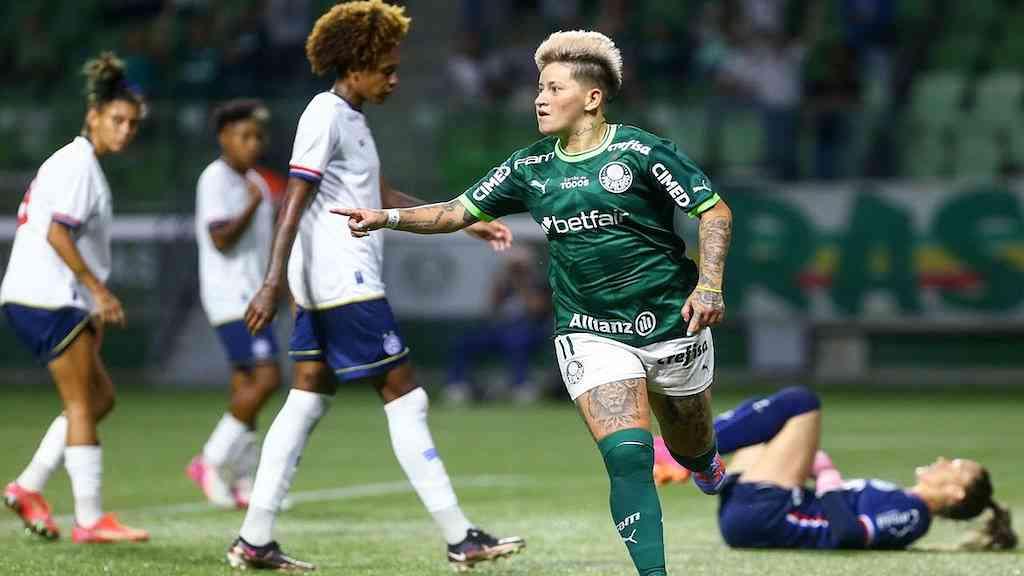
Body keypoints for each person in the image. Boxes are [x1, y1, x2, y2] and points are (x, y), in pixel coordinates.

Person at [335, 29, 734, 576]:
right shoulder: (529, 167)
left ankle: (704, 460)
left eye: (553, 88)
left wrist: (708, 285)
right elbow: (456, 212)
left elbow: (713, 211)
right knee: (628, 456)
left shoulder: (643, 152)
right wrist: (387, 217)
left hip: (672, 324)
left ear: (592, 98)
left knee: (690, 444)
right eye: (538, 88)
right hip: (590, 331)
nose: (539, 99)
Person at [227, 1, 523, 571]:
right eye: (386, 69)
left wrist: (464, 221)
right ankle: (460, 537)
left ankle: (254, 539)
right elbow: (293, 200)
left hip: (328, 283)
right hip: (344, 281)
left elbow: (380, 197)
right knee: (406, 396)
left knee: (307, 400)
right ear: (355, 65)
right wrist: (270, 281)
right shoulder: (325, 113)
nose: (394, 79)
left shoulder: (354, 120)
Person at [0, 53, 149, 543]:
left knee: (100, 398)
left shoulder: (80, 163)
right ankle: (89, 519)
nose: (125, 131)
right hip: (47, 297)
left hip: (48, 296)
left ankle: (28, 487)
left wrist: (89, 297)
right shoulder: (78, 164)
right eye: (117, 120)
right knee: (82, 403)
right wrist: (97, 291)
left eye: (132, 123)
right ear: (93, 115)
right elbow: (57, 233)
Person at [654, 386, 1018, 551]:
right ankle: (704, 467)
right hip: (754, 512)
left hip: (765, 517)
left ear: (956, 492)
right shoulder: (904, 501)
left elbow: (847, 533)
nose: (943, 461)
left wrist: (827, 476)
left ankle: (685, 453)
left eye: (955, 466)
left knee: (802, 402)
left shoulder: (912, 515)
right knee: (767, 419)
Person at [189, 99, 281, 509]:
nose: (253, 143)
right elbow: (220, 238)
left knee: (247, 387)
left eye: (258, 136)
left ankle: (244, 480)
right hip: (231, 296)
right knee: (268, 378)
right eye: (244, 136)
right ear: (224, 137)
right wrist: (251, 205)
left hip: (252, 295)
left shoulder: (256, 182)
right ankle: (209, 460)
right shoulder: (216, 178)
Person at [445, 245, 551, 404]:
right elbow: (490, 310)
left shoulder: (537, 283)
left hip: (530, 331)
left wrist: (521, 284)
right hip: (500, 330)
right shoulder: (503, 283)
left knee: (516, 340)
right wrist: (501, 282)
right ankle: (458, 384)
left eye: (519, 266)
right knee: (464, 342)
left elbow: (536, 310)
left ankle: (521, 385)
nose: (516, 270)